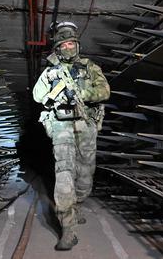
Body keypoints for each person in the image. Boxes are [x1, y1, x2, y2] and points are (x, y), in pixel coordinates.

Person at [32, 21, 111, 250]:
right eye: (63, 44)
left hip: (86, 125)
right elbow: (38, 96)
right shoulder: (51, 71)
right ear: (57, 48)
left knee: (86, 172)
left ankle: (78, 205)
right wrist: (51, 80)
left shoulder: (90, 67)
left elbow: (104, 91)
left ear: (77, 45)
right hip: (61, 127)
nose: (67, 47)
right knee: (65, 173)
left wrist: (83, 93)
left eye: (71, 43)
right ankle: (68, 229)